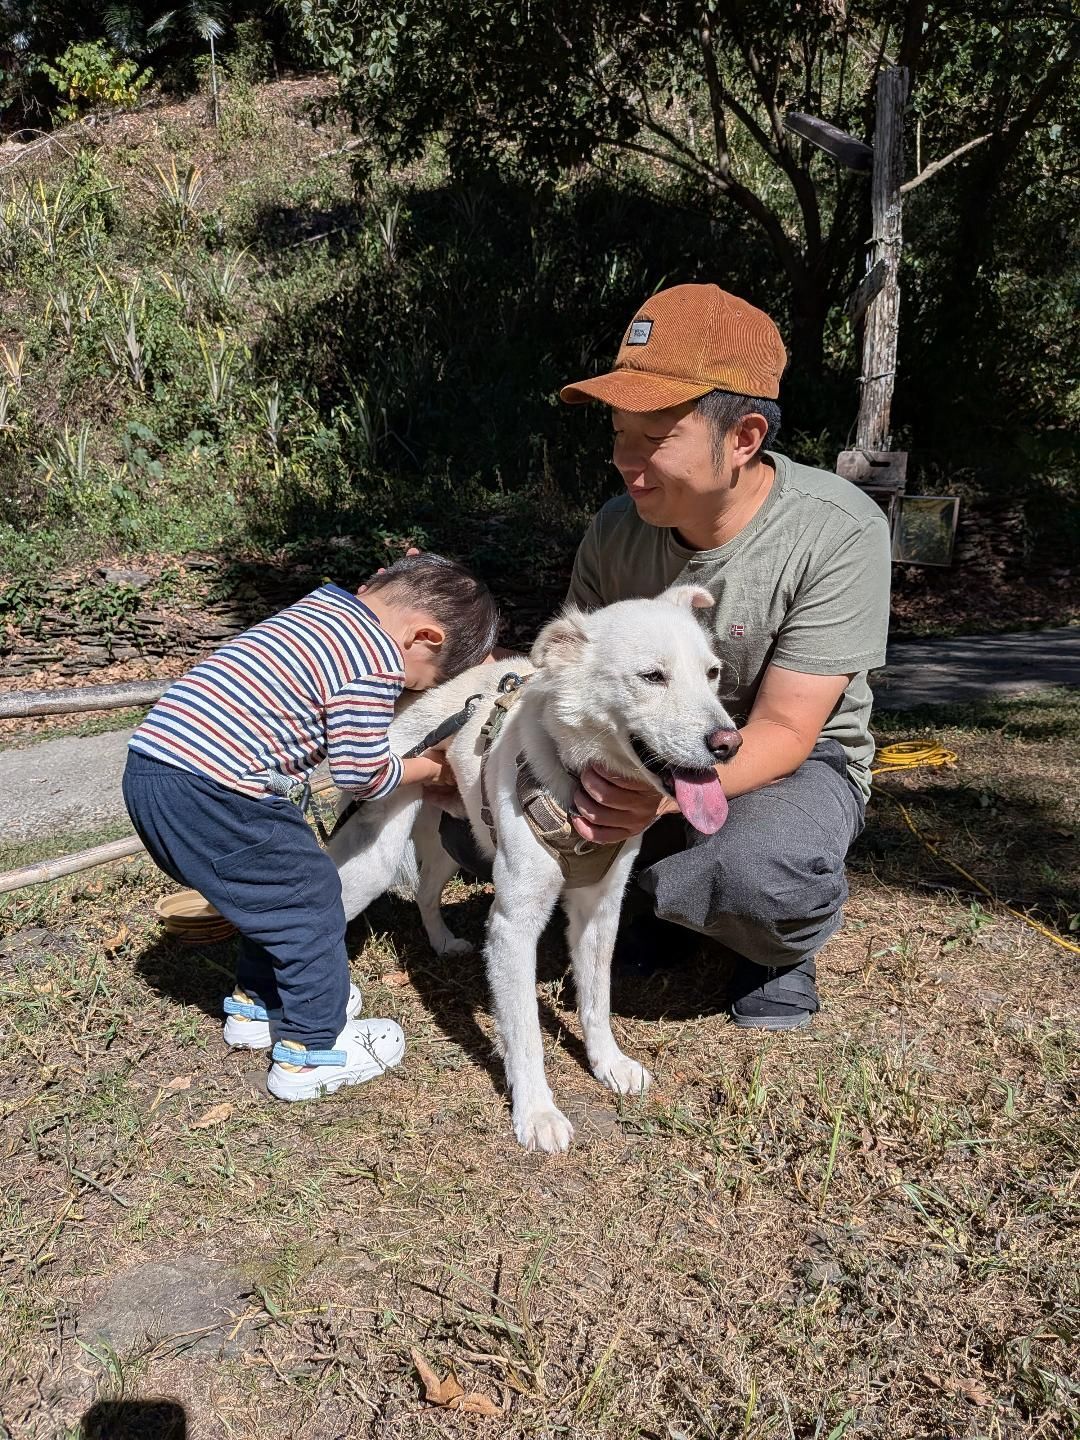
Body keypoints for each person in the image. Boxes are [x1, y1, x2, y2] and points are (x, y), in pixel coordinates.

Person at [439, 283, 890, 1029]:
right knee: (473, 819)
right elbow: (571, 680)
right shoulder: (616, 528)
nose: (625, 460)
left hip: (781, 760)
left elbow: (784, 730)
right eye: (618, 434)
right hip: (640, 747)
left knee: (757, 873)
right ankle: (662, 898)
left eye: (653, 438)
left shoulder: (837, 532)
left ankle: (773, 944)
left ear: (742, 438)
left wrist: (647, 802)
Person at [123, 554, 499, 1099]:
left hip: (156, 769)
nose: (408, 693)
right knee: (312, 897)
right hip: (221, 788)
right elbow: (362, 772)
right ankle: (312, 1049)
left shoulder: (320, 609)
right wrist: (434, 767)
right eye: (421, 683)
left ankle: (259, 1006)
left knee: (270, 899)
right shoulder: (374, 659)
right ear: (423, 637)